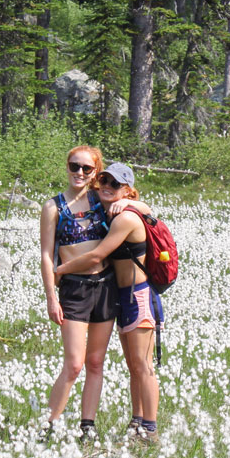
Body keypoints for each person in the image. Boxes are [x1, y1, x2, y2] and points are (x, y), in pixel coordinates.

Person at [39, 147, 148, 441]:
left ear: (96, 173)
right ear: (67, 166)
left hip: (106, 285)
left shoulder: (101, 200)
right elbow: (47, 256)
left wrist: (130, 205)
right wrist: (51, 295)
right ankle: (48, 425)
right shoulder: (54, 207)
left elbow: (143, 208)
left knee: (96, 362)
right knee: (74, 363)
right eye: (75, 166)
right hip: (73, 287)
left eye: (87, 169)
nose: (79, 173)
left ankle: (88, 426)